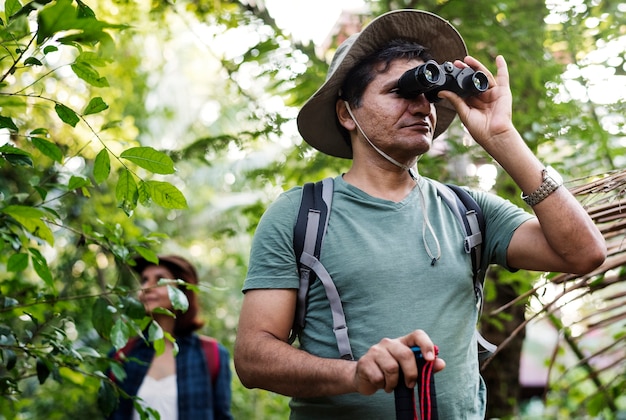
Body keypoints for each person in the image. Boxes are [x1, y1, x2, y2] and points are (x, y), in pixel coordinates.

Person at [234, 9, 606, 419]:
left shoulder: (469, 209)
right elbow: (253, 358)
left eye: (428, 94)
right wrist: (354, 374)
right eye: (401, 91)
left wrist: (503, 137)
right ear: (347, 114)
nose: (422, 106)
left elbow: (584, 254)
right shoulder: (301, 214)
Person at [108, 255, 233, 420]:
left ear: (182, 292)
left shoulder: (212, 354)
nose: (147, 287)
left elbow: (222, 416)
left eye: (160, 280)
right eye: (144, 280)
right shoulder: (122, 354)